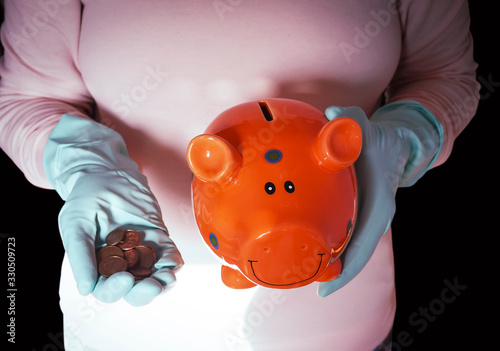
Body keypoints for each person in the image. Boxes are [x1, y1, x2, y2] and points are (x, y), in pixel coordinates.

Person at [0, 1, 479, 350]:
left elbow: (446, 78)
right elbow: (26, 100)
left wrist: (407, 138)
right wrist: (84, 162)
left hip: (337, 317)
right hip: (126, 317)